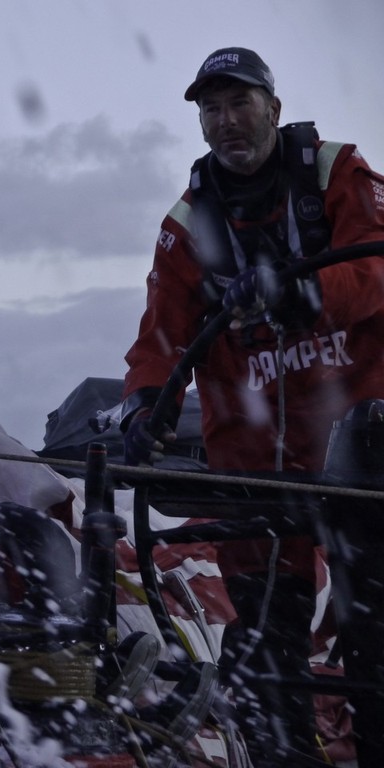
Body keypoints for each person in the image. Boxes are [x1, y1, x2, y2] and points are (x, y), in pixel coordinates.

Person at [118, 47, 384, 764]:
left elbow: (378, 263)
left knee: (376, 630)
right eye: (211, 109)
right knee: (266, 649)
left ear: (272, 105)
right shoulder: (185, 226)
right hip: (256, 460)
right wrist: (147, 408)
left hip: (361, 442)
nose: (227, 120)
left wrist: (304, 294)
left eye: (240, 103)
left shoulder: (337, 173)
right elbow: (162, 337)